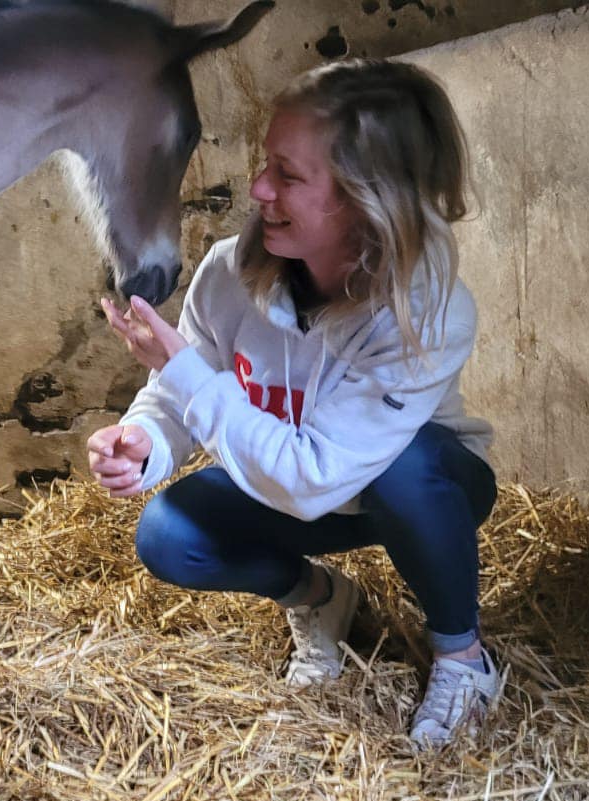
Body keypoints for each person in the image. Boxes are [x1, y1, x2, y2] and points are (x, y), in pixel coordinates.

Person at [87, 58, 498, 750]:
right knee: (168, 535)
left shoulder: (429, 313)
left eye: (287, 174)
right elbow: (186, 386)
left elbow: (313, 479)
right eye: (264, 164)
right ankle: (321, 600)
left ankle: (463, 658)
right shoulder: (226, 271)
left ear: (365, 199)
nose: (257, 188)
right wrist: (145, 443)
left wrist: (186, 375)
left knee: (407, 467)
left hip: (413, 493)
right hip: (290, 488)